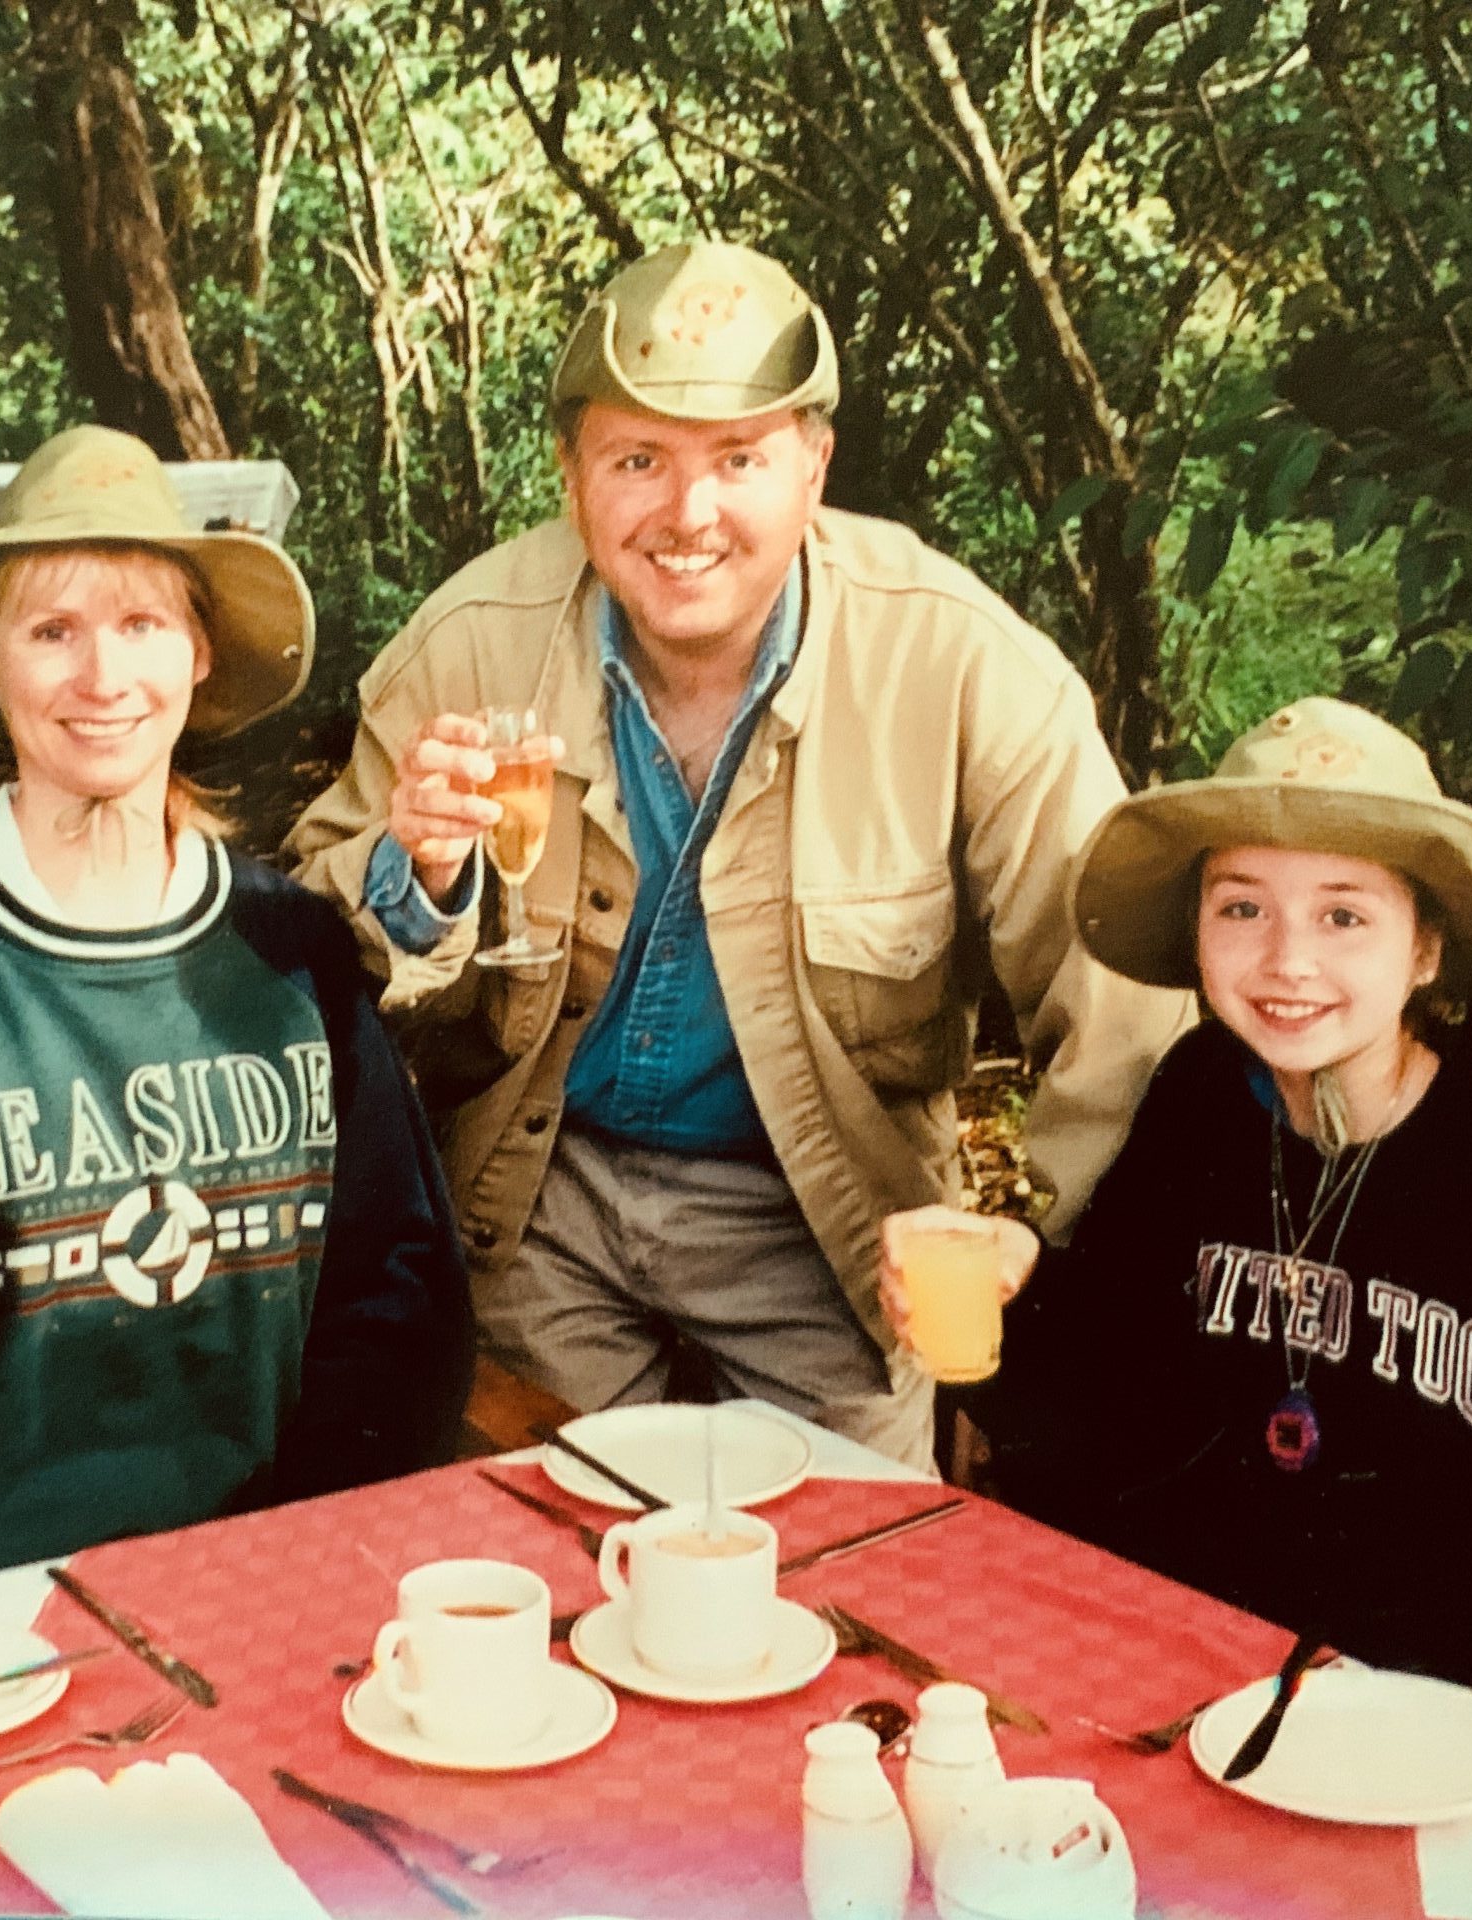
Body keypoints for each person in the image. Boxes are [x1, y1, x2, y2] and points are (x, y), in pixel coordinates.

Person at [285, 240, 1189, 1468]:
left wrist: (1034, 1235)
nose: (687, 515)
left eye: (741, 460)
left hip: (826, 1219)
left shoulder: (966, 665)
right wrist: (416, 882)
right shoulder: (471, 641)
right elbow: (310, 942)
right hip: (537, 1195)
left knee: (861, 1572)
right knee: (531, 1547)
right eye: (638, 459)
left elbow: (1127, 1009)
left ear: (814, 467)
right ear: (571, 473)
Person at [882, 695, 1472, 1844]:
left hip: (1459, 1725)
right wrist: (1014, 1291)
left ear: (1423, 948)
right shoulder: (1200, 1102)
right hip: (1222, 1689)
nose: (1288, 961)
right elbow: (1113, 1404)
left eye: (1345, 916)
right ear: (1195, 931)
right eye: (1243, 907)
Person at [0, 427, 474, 1605]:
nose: (101, 678)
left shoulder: (291, 956)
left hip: (246, 1593)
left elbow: (392, 1307)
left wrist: (320, 1577)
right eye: (51, 631)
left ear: (199, 655)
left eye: (140, 625)